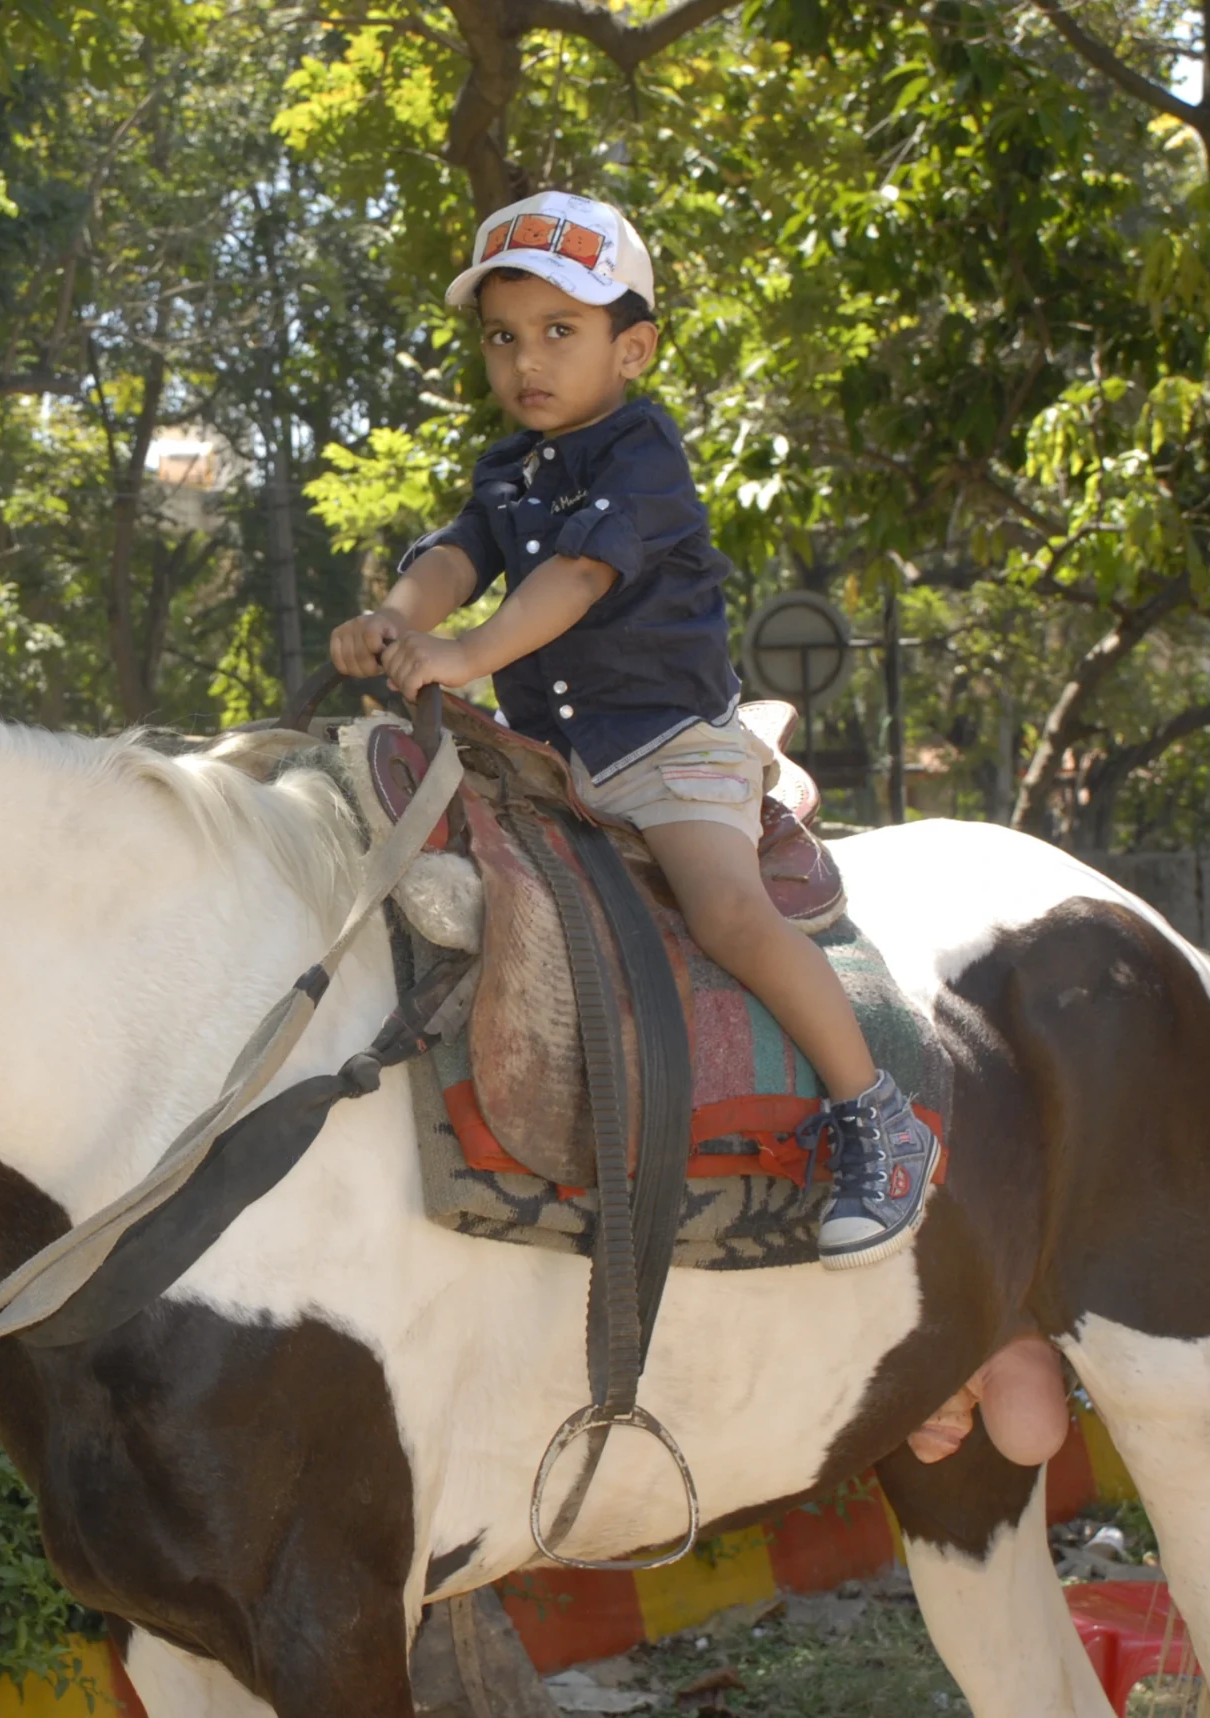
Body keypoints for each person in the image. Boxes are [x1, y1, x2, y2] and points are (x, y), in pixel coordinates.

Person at [329, 191, 937, 1269]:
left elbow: (573, 575)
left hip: (663, 743)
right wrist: (396, 618)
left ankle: (874, 1115)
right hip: (550, 759)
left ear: (634, 347)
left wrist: (464, 656)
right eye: (504, 337)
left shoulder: (641, 455)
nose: (528, 361)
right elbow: (457, 554)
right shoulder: (508, 466)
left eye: (562, 332)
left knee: (726, 914)